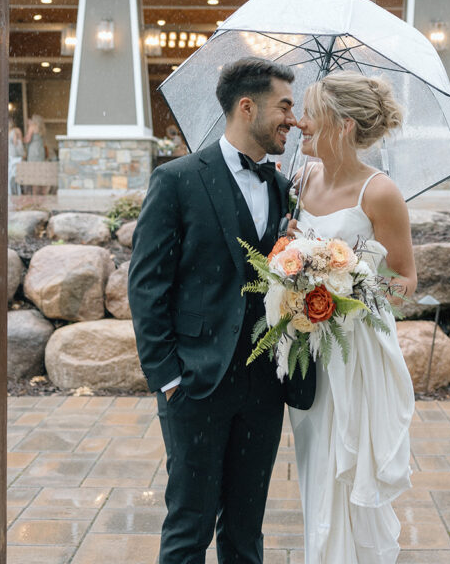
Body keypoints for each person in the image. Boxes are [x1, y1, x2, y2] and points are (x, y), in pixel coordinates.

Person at [128, 57, 314, 564]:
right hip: (194, 381)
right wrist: (167, 377)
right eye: (284, 106)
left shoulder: (281, 188)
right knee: (189, 527)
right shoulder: (177, 179)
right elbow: (147, 287)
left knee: (246, 531)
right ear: (247, 107)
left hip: (262, 385)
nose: (292, 119)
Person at [288, 72, 417, 564]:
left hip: (355, 350)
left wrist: (350, 280)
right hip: (304, 342)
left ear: (341, 126)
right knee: (315, 461)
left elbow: (405, 280)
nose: (299, 122)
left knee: (343, 463)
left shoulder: (379, 193)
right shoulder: (299, 181)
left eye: (309, 114)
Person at [8, 118, 25, 195]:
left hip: (8, 152)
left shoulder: (6, 132)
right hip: (14, 153)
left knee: (10, 171)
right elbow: (15, 143)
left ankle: (10, 190)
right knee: (14, 172)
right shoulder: (14, 132)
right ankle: (17, 190)